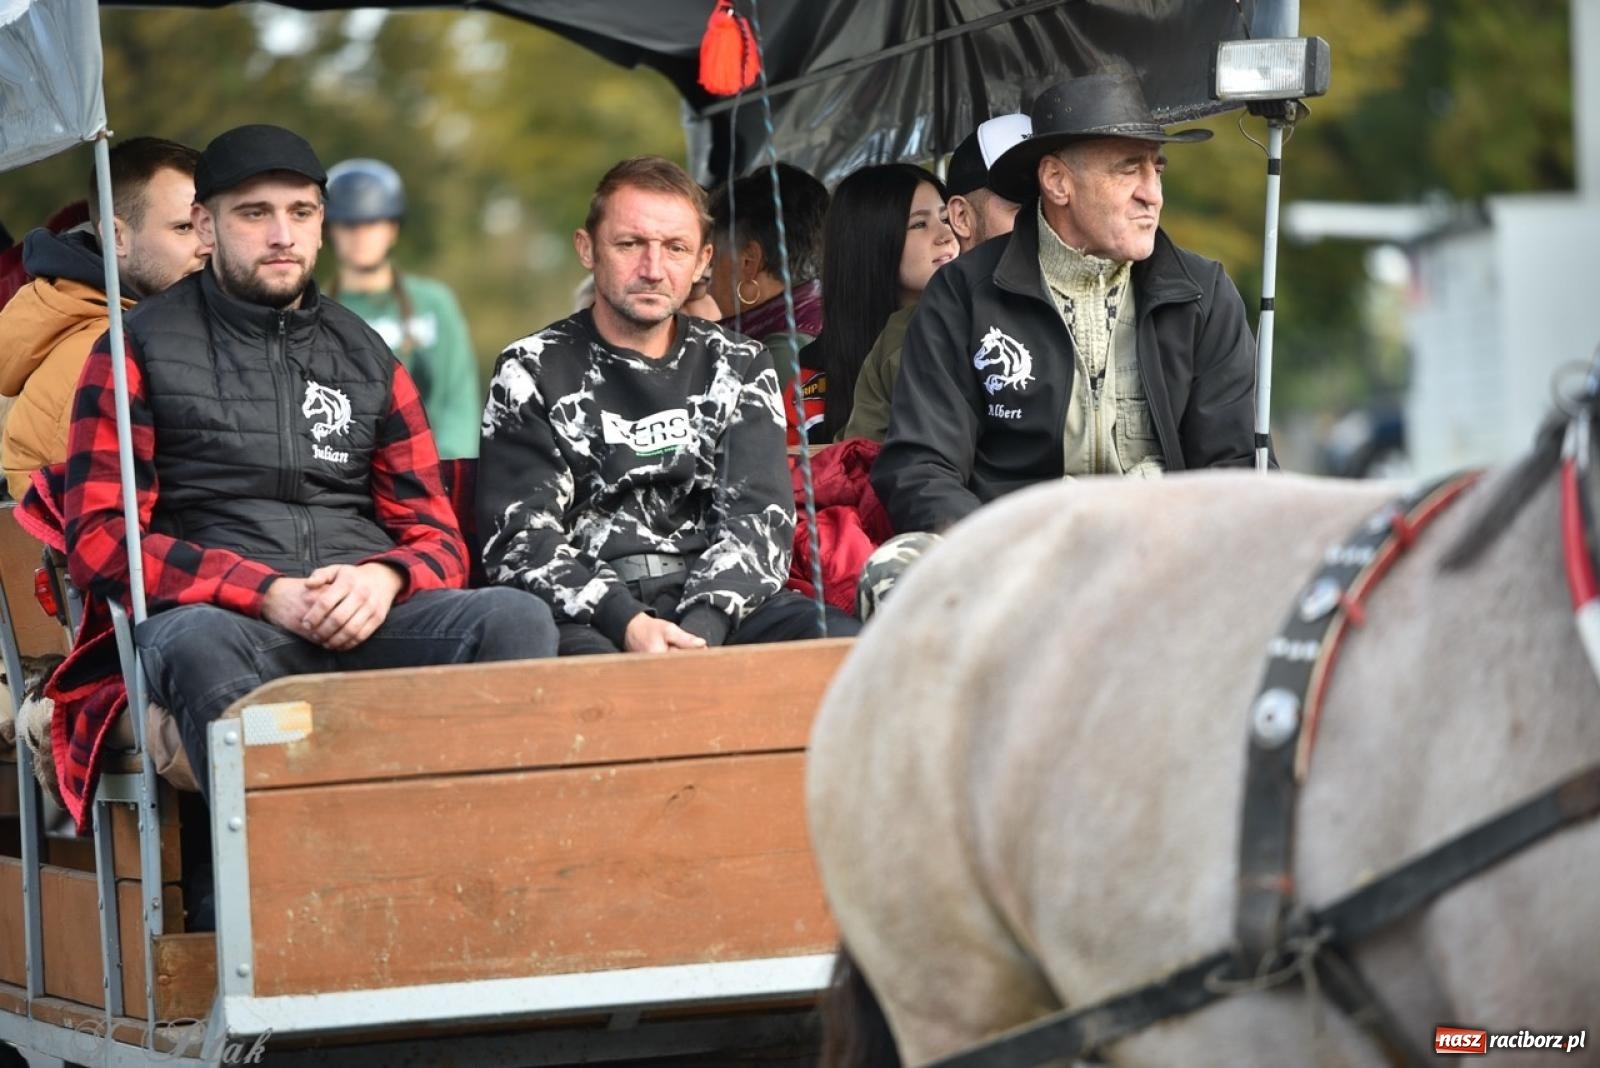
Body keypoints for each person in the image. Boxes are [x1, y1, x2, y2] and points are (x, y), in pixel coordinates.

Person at [63, 124, 557, 790]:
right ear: (204, 227)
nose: (281, 236)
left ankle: (487, 860)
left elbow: (437, 538)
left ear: (323, 224)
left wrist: (384, 581)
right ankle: (265, 886)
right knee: (196, 642)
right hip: (233, 626)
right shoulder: (134, 349)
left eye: (301, 212)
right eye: (253, 213)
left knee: (514, 617)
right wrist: (264, 593)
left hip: (368, 618)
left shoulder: (369, 356)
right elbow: (100, 540)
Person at [477, 155, 859, 656]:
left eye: (675, 248)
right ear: (587, 249)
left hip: (722, 603)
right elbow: (521, 538)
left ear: (702, 261)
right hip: (589, 614)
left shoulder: (740, 362)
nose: (653, 269)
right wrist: (629, 624)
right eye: (630, 244)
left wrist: (700, 629)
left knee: (848, 649)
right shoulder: (531, 368)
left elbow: (759, 522)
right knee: (594, 690)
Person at [871, 69, 1259, 536]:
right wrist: (1001, 554)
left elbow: (1237, 467)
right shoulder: (963, 294)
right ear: (1057, 181)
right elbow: (921, 469)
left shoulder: (1203, 293)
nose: (1152, 195)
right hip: (1015, 557)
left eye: (1156, 169)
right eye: (1127, 168)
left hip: (1164, 555)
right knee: (892, 572)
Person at [0, 139, 208, 498]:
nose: (207, 246)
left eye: (210, 226)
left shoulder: (161, 329)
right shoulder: (95, 360)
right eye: (183, 228)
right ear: (116, 237)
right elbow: (94, 539)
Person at [841, 115, 1032, 443]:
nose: (945, 235)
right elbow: (878, 469)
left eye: (1056, 204)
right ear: (963, 216)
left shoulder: (1124, 303)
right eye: (1021, 211)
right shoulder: (905, 340)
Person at [325, 158, 481, 459]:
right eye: (348, 224)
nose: (361, 235)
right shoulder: (314, 310)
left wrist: (444, 472)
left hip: (429, 473)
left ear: (392, 228)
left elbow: (458, 399)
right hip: (344, 480)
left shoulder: (434, 304)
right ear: (330, 230)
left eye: (372, 223)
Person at [799, 164, 955, 446]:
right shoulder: (813, 378)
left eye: (947, 218)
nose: (946, 235)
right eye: (919, 224)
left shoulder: (982, 328)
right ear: (869, 243)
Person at [707, 163, 829, 444]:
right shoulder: (829, 318)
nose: (709, 284)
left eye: (713, 262)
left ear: (749, 261)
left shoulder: (777, 354)